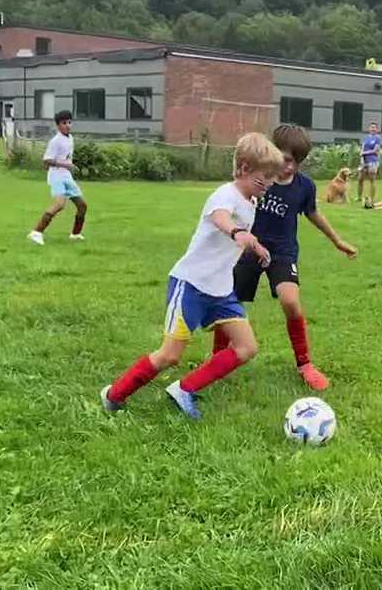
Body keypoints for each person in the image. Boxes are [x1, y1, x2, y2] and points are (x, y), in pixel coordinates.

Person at [101, 132, 284, 421]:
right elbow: (221, 218)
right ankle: (114, 395)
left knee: (247, 347)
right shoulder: (225, 194)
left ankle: (184, 389)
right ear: (245, 168)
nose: (271, 184)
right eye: (266, 177)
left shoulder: (250, 201)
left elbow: (238, 230)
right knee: (170, 355)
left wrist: (256, 245)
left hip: (220, 291)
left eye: (274, 178)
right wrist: (237, 233)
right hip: (191, 285)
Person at [231, 124, 357, 391]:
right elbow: (232, 204)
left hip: (282, 251)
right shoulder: (257, 180)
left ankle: (305, 364)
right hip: (250, 249)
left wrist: (337, 241)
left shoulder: (304, 186)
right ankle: (219, 357)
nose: (290, 168)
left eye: (297, 162)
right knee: (229, 303)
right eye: (287, 159)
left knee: (290, 300)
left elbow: (313, 214)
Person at [28, 110, 88, 245]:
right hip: (56, 176)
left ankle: (75, 234)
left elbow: (66, 158)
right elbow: (46, 160)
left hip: (67, 176)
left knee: (82, 206)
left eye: (69, 122)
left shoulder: (70, 138)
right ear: (58, 125)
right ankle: (36, 233)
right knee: (59, 205)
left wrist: (71, 166)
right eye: (64, 123)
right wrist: (66, 165)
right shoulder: (55, 141)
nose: (67, 125)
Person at [358, 122, 382, 207]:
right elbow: (362, 148)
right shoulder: (366, 138)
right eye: (371, 127)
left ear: (377, 129)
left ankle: (372, 198)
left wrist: (364, 153)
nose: (373, 129)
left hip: (373, 161)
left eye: (374, 127)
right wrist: (361, 157)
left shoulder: (377, 138)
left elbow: (376, 150)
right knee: (360, 179)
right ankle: (359, 197)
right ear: (369, 129)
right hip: (364, 161)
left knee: (372, 180)